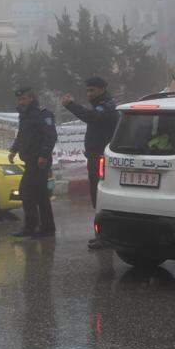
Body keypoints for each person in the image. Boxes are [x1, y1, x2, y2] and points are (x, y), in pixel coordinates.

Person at [62, 77, 119, 249]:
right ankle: (102, 235)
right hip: (95, 158)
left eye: (92, 90)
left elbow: (90, 117)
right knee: (96, 197)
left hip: (102, 159)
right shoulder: (100, 106)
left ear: (102, 89)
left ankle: (106, 237)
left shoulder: (106, 107)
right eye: (87, 90)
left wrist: (71, 105)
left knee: (101, 198)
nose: (89, 94)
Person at [10, 87, 58, 238]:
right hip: (30, 160)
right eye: (19, 99)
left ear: (31, 98)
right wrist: (13, 150)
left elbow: (50, 136)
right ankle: (39, 227)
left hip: (39, 161)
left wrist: (43, 155)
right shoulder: (25, 114)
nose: (21, 102)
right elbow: (22, 135)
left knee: (30, 192)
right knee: (35, 194)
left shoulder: (43, 114)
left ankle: (39, 228)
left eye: (23, 99)